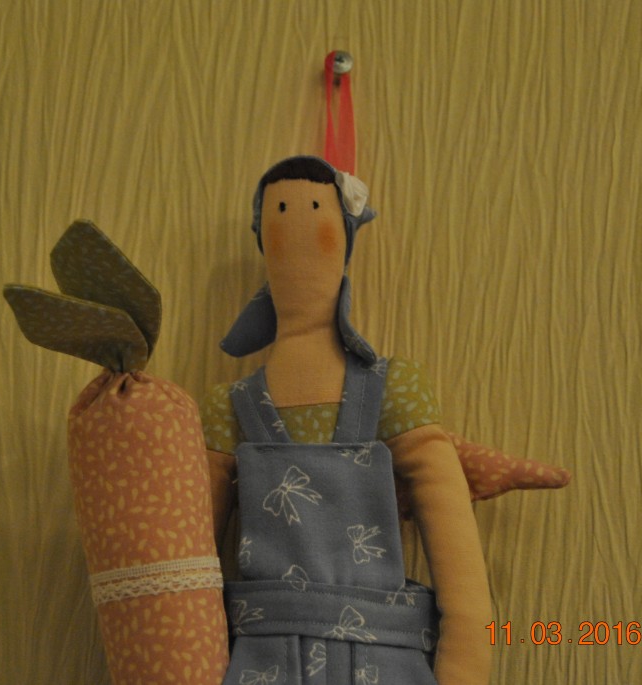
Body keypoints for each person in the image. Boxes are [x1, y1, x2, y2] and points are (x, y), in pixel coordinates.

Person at [201, 156, 493, 684]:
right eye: (280, 216)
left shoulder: (393, 389)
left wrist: (467, 653)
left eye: (316, 211)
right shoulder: (228, 406)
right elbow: (190, 559)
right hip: (263, 660)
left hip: (379, 658)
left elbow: (448, 521)